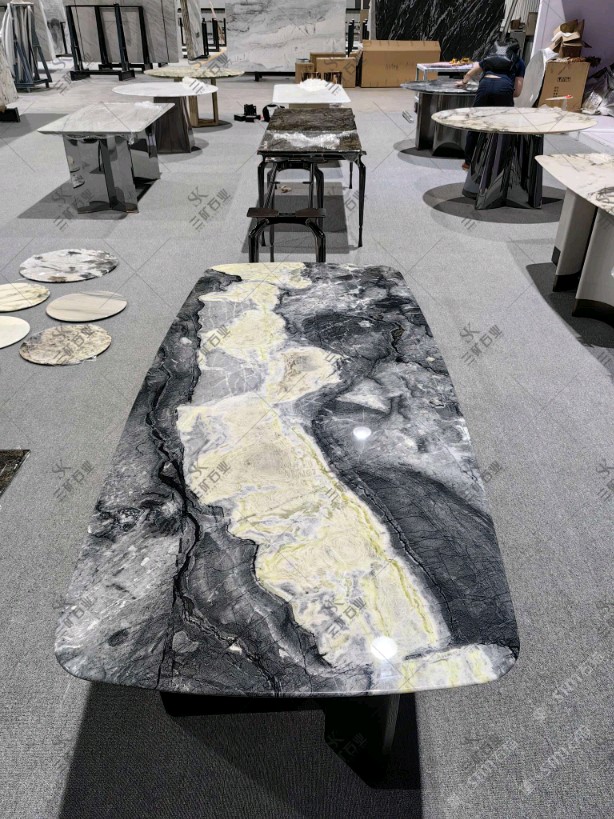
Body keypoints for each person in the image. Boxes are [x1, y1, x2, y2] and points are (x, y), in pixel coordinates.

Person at [457, 39, 526, 170]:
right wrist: (504, 93)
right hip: (504, 87)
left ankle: (468, 162)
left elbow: (472, 72)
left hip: (485, 86)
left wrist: (463, 82)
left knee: (475, 125)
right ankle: (498, 163)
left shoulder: (490, 57)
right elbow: (517, 92)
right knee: (503, 127)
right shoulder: (519, 61)